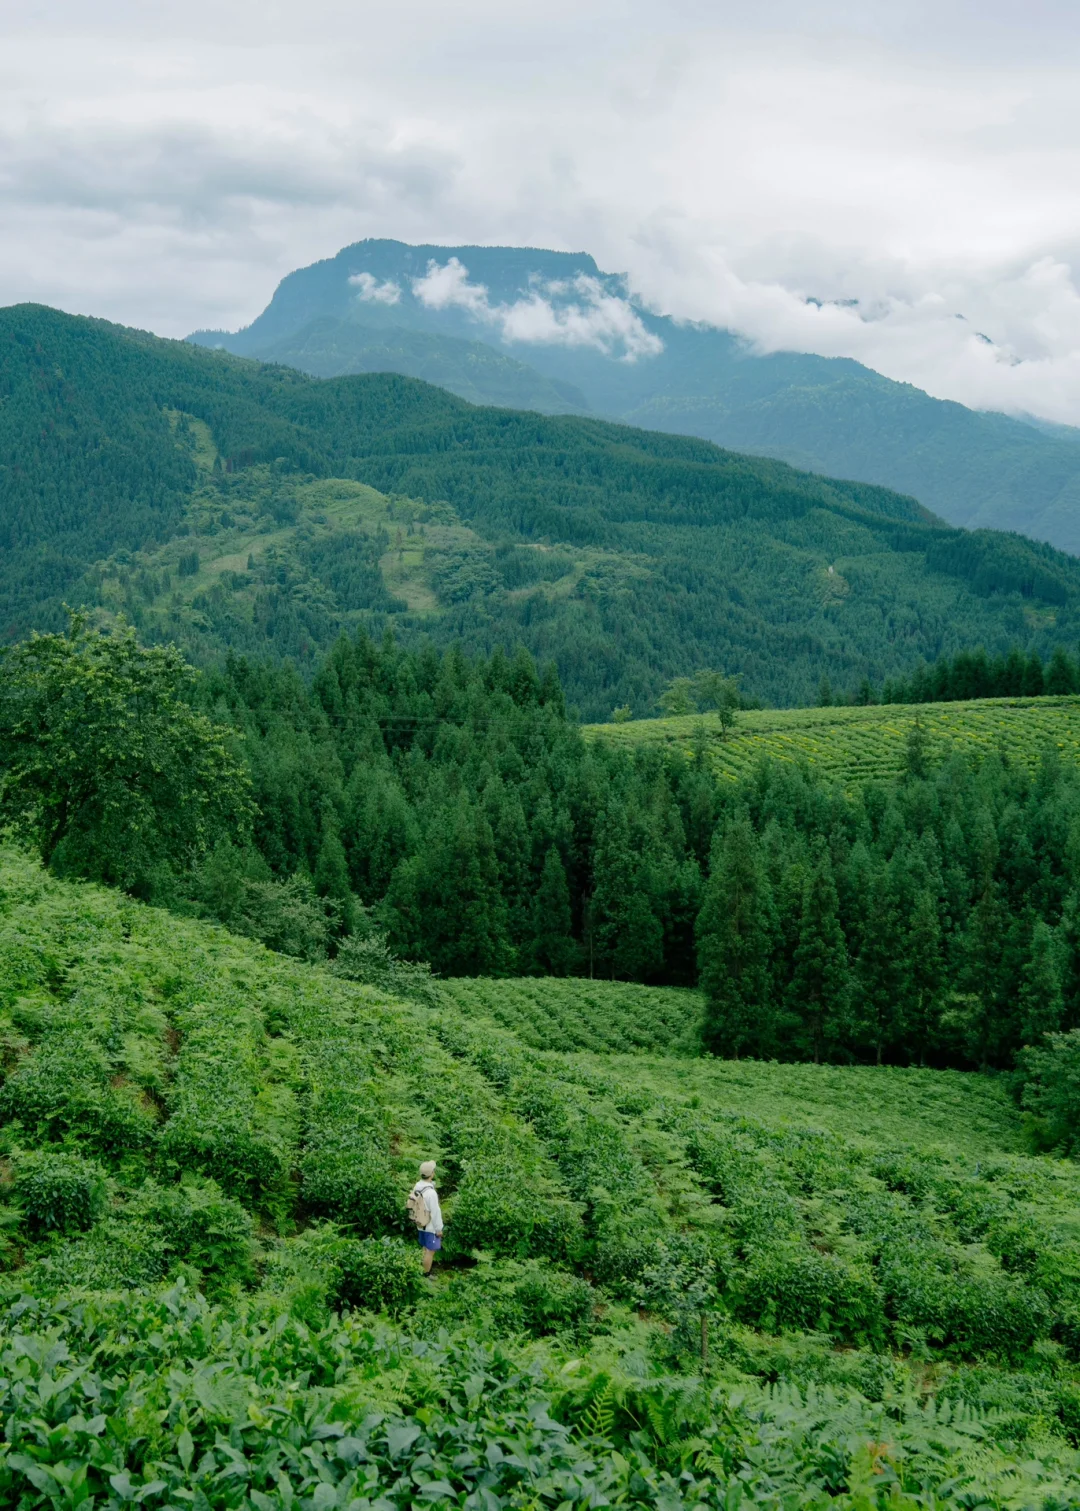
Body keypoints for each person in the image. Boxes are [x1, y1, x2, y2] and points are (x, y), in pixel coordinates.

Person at [407, 1159, 444, 1273]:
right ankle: (426, 1275)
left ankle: (420, 1272)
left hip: (420, 1223)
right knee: (430, 1251)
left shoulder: (417, 1186)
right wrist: (439, 1229)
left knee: (424, 1248)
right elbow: (435, 1212)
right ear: (432, 1174)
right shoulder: (431, 1193)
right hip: (430, 1227)